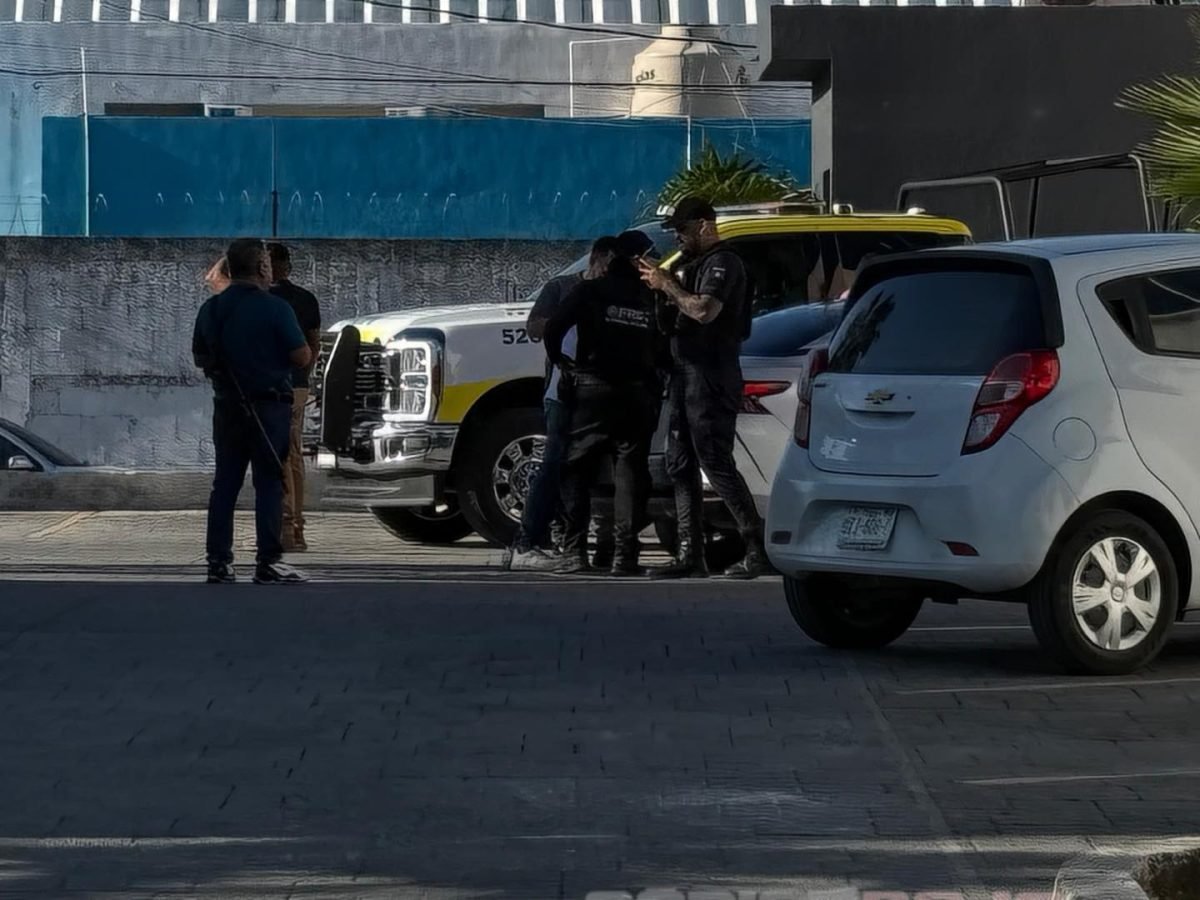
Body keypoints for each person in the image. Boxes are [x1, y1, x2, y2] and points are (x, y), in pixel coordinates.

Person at [638, 197, 770, 580]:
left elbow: (703, 311)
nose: (677, 238)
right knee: (679, 464)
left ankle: (755, 547)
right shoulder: (687, 265)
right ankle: (689, 553)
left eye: (682, 230)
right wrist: (660, 288)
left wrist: (668, 287)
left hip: (710, 374)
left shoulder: (724, 263)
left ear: (704, 226)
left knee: (714, 460)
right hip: (683, 372)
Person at [192, 238, 312, 585]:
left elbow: (200, 357)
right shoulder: (276, 309)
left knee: (225, 485)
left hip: (226, 406)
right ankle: (268, 561)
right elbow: (301, 356)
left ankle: (219, 562)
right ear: (262, 267)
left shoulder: (210, 310)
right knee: (270, 484)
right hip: (268, 407)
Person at [545, 230, 661, 576]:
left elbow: (554, 329)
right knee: (630, 472)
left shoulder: (590, 291)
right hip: (638, 391)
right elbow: (663, 343)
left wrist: (562, 363)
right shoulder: (649, 297)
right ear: (636, 259)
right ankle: (625, 556)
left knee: (576, 468)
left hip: (594, 387)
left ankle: (575, 550)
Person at [507, 236, 618, 571]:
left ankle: (581, 539)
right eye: (609, 264)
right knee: (554, 461)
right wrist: (569, 317)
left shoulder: (612, 292)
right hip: (563, 390)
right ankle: (528, 540)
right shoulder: (564, 288)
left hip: (597, 392)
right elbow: (536, 327)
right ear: (596, 258)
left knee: (588, 468)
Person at [267, 242, 322, 553]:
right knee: (293, 454)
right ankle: (295, 527)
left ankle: (287, 529)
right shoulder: (305, 299)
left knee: (278, 454)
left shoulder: (263, 300)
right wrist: (303, 372)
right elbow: (313, 344)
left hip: (273, 384)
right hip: (297, 383)